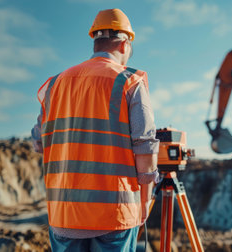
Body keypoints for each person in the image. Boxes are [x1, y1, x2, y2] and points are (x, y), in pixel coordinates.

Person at [31, 8, 159, 251]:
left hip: (64, 215)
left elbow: (39, 142)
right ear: (124, 45)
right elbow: (145, 148)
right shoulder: (129, 81)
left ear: (96, 42)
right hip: (114, 216)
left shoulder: (55, 84)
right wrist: (145, 203)